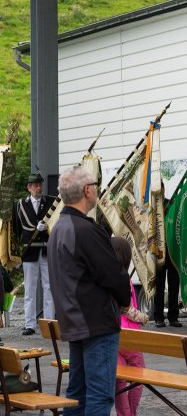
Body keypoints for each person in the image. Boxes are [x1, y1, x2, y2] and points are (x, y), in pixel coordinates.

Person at [48, 166, 131, 415]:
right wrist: (125, 300)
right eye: (95, 185)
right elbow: (112, 275)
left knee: (77, 394)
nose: (97, 189)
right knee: (100, 396)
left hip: (74, 321)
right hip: (96, 323)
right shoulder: (86, 230)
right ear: (87, 190)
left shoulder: (58, 229)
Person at [13, 172, 56, 335]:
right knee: (30, 288)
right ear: (29, 188)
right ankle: (30, 324)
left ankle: (50, 323)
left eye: (40, 185)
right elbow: (17, 228)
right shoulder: (20, 205)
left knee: (49, 287)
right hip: (29, 250)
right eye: (35, 185)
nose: (38, 188)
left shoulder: (51, 202)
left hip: (46, 248)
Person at [112, 236, 148, 416]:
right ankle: (131, 412)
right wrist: (143, 318)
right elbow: (128, 309)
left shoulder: (106, 278)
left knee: (119, 380)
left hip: (115, 335)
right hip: (132, 336)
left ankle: (123, 413)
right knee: (138, 377)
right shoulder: (123, 278)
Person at [154, 182, 182, 328]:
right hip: (157, 252)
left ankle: (173, 317)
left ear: (164, 190)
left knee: (174, 285)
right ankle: (158, 317)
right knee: (158, 286)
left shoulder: (171, 204)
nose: (160, 191)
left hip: (172, 251)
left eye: (161, 188)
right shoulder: (151, 208)